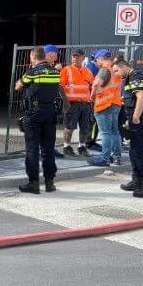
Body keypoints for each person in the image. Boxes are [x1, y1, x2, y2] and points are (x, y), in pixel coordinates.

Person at [15, 46, 64, 193]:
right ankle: (49, 183)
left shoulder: (32, 72)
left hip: (34, 113)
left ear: (33, 57)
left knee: (32, 148)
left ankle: (33, 183)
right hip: (50, 112)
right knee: (48, 149)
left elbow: (18, 86)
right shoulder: (55, 71)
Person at [114, 57, 143, 197]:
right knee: (134, 151)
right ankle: (137, 180)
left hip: (141, 118)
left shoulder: (135, 76)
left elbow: (141, 97)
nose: (116, 74)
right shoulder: (130, 77)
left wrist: (135, 117)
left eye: (116, 70)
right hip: (137, 117)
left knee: (139, 152)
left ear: (124, 67)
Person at [88, 50, 123, 167]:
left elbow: (96, 83)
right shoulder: (115, 69)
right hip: (115, 103)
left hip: (104, 105)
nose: (96, 62)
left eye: (96, 60)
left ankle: (105, 158)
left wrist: (92, 96)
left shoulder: (104, 69)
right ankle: (117, 157)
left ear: (101, 58)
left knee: (106, 133)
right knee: (115, 132)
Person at [60, 49, 94, 156]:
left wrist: (91, 102)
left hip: (86, 104)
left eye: (78, 57)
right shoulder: (66, 70)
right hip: (71, 104)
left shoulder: (88, 71)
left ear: (83, 58)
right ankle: (66, 146)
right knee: (69, 127)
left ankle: (82, 147)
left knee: (85, 127)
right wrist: (65, 102)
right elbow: (60, 86)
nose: (75, 59)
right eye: (73, 57)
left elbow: (92, 86)